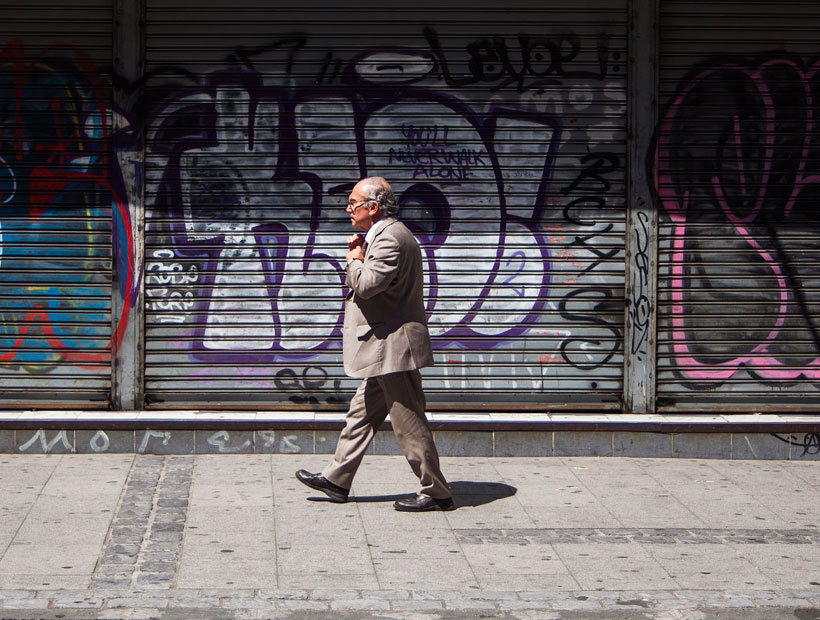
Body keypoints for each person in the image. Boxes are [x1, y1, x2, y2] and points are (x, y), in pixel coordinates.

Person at [295, 177, 453, 511]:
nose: (347, 207)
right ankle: (337, 479)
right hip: (383, 345)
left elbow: (367, 285)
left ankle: (437, 492)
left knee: (409, 424)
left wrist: (353, 257)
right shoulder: (383, 236)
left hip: (393, 348)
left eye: (353, 202)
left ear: (373, 207)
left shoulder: (390, 238)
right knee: (360, 415)